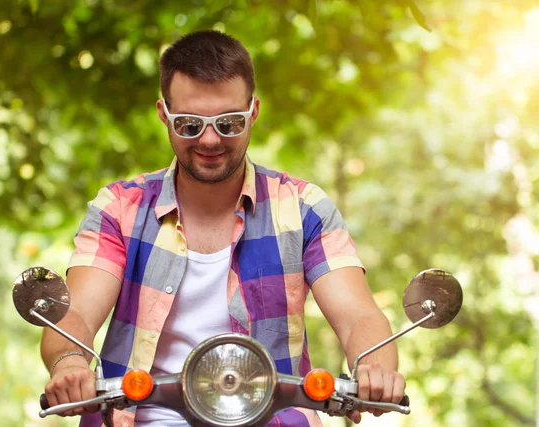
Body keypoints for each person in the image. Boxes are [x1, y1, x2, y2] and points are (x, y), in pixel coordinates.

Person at [41, 30, 405, 426]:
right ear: (164, 114)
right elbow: (74, 314)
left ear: (254, 112)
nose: (210, 139)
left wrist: (374, 366)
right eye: (189, 124)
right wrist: (69, 363)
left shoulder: (303, 209)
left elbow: (358, 317)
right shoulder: (119, 209)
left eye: (229, 123)